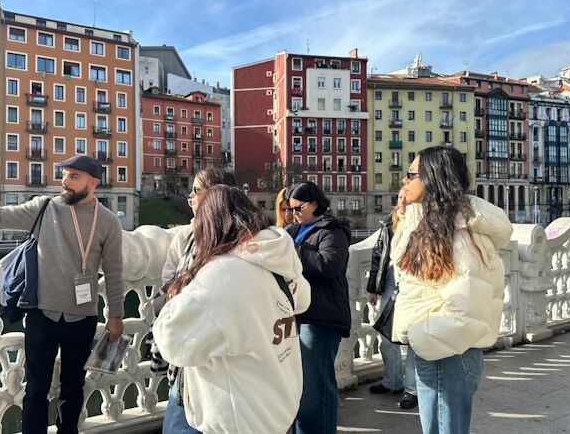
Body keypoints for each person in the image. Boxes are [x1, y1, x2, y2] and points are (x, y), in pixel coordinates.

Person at [0, 154, 124, 434]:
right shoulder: (45, 208)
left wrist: (116, 316)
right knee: (36, 392)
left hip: (82, 320)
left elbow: (115, 273)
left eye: (73, 177)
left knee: (73, 389)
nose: (64, 182)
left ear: (93, 183)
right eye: (64, 175)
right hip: (42, 316)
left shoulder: (107, 221)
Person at [153, 185, 311, 434]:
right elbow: (302, 300)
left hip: (240, 416)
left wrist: (168, 302)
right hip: (278, 404)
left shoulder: (223, 274)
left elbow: (173, 342)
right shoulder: (276, 256)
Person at [392, 147, 512, 434]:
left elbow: (469, 302)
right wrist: (405, 215)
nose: (404, 182)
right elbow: (403, 268)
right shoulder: (433, 225)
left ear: (433, 178)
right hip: (437, 347)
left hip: (448, 350)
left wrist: (421, 335)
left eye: (411, 175)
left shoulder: (460, 233)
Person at [156, 167, 236, 434]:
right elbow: (168, 282)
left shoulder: (234, 239)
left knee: (182, 425)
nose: (190, 196)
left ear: (216, 195)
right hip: (195, 352)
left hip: (203, 353)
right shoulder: (186, 236)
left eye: (196, 191)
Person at [285, 181, 351, 434]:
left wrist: (292, 251)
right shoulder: (292, 231)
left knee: (317, 387)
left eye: (298, 208)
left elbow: (328, 265)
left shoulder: (333, 230)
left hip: (321, 318)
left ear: (314, 203)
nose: (294, 213)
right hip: (297, 315)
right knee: (299, 386)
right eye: (290, 209)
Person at [366, 188, 417, 410]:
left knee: (414, 340)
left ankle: (412, 390)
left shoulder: (422, 224)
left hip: (413, 285)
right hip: (389, 283)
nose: (403, 202)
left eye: (407, 198)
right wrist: (373, 288)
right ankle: (392, 381)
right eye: (399, 198)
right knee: (386, 334)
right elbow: (378, 255)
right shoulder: (389, 223)